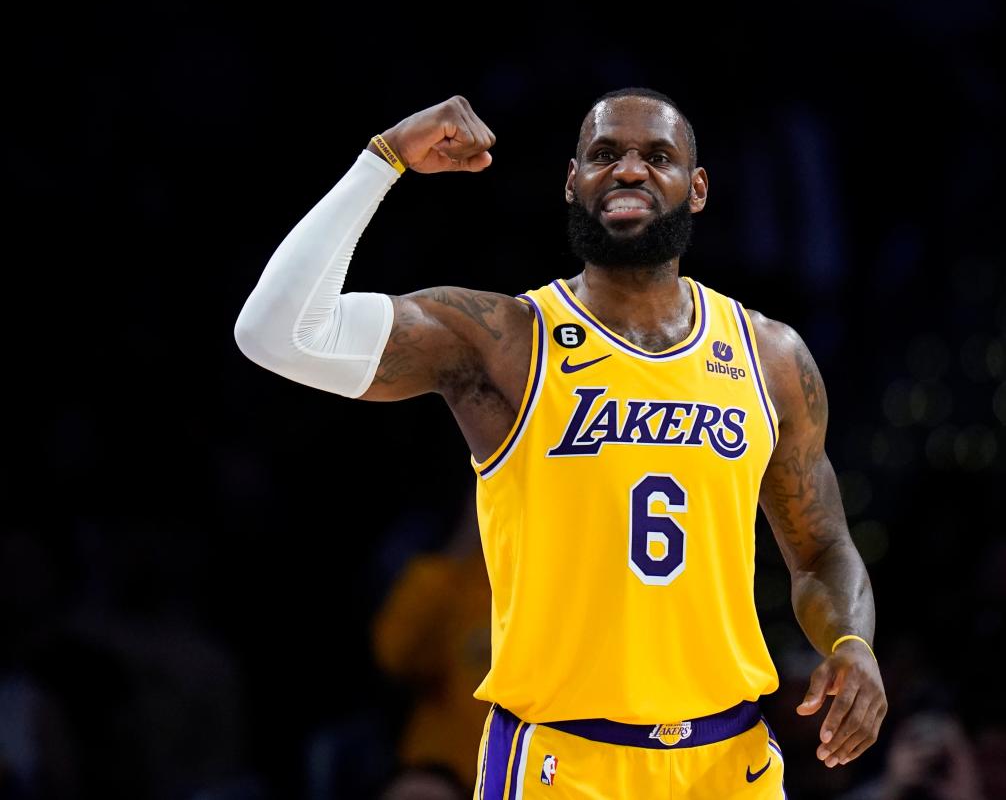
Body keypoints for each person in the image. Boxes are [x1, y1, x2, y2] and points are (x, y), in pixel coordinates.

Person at [234, 89, 887, 798]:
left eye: (657, 156)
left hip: (729, 762)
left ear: (696, 189)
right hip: (562, 763)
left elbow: (822, 550)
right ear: (572, 182)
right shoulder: (503, 340)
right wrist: (383, 159)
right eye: (604, 154)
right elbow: (277, 333)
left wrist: (852, 646)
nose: (629, 170)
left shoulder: (771, 357)